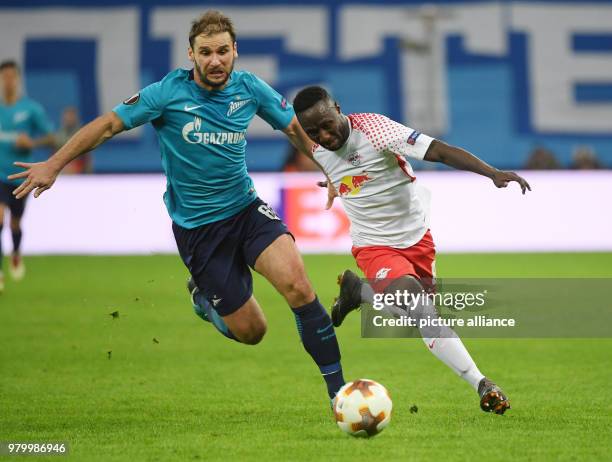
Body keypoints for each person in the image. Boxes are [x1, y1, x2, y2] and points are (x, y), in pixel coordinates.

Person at [8, 11, 347, 404]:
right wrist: (54, 164)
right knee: (253, 332)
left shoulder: (249, 89)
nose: (215, 60)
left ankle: (339, 393)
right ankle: (203, 299)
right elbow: (106, 126)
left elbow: (293, 127)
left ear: (235, 51)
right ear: (191, 54)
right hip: (200, 230)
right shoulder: (166, 94)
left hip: (246, 210)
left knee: (299, 285)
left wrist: (331, 168)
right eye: (206, 52)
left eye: (223, 51)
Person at [293, 86, 532, 415]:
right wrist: (334, 180)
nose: (324, 136)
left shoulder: (376, 131)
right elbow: (331, 161)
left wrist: (492, 173)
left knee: (412, 316)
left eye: (326, 124)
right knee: (419, 309)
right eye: (313, 132)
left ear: (337, 108)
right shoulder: (316, 148)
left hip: (417, 239)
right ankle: (482, 383)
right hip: (373, 244)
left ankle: (359, 292)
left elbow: (439, 151)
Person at [0, 60, 55, 292]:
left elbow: (52, 137)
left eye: (12, 76)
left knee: (14, 222)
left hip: (21, 177)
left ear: (18, 79)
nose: (9, 81)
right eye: (5, 76)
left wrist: (31, 142)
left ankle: (15, 252)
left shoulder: (31, 109)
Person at [55, 106, 91, 174]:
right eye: (67, 117)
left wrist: (88, 173)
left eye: (71, 116)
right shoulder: (58, 136)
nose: (69, 119)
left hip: (78, 169)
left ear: (76, 118)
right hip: (61, 169)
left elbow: (87, 158)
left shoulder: (83, 134)